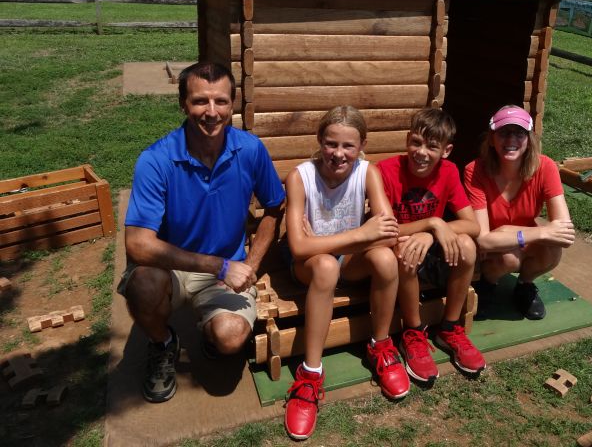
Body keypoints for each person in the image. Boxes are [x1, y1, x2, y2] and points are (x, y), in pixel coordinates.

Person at [119, 62, 285, 404]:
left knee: (231, 338)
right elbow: (137, 244)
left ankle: (210, 333)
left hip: (227, 268)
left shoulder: (250, 149)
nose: (211, 112)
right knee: (143, 285)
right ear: (183, 104)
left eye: (221, 101)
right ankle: (162, 342)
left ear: (233, 104)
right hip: (173, 267)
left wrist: (250, 264)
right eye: (199, 101)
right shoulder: (156, 160)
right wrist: (219, 267)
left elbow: (274, 208)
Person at [283, 105, 410, 441]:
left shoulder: (367, 173)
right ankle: (310, 374)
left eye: (348, 146)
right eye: (330, 144)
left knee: (384, 258)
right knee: (324, 265)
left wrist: (324, 241)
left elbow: (386, 233)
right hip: (310, 267)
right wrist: (358, 234)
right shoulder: (300, 178)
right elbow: (298, 248)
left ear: (362, 145)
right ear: (319, 141)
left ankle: (380, 346)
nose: (338, 154)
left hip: (348, 262)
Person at [377, 108, 485, 383]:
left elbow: (473, 226)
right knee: (404, 250)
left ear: (446, 151)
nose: (421, 152)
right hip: (401, 252)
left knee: (468, 246)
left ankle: (450, 327)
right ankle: (413, 331)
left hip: (431, 250)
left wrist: (433, 229)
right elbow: (385, 232)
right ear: (406, 140)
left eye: (432, 146)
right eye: (416, 142)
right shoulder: (386, 171)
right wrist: (432, 224)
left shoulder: (449, 172)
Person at [463, 105, 575, 321]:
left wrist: (508, 232)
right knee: (509, 258)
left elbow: (565, 233)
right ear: (492, 138)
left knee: (552, 250)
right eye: (504, 132)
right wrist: (541, 233)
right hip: (494, 251)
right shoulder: (474, 170)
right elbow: (483, 240)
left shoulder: (546, 167)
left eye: (519, 133)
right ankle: (487, 283)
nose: (511, 139)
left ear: (529, 139)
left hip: (511, 239)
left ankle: (524, 285)